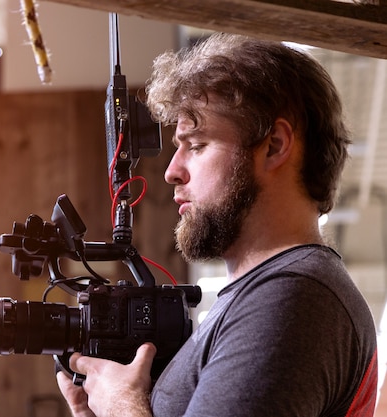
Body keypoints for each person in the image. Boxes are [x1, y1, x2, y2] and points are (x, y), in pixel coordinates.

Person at [56, 33, 378, 416]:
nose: (172, 172)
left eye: (197, 144)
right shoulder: (264, 295)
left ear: (274, 145)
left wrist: (122, 405)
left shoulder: (292, 295)